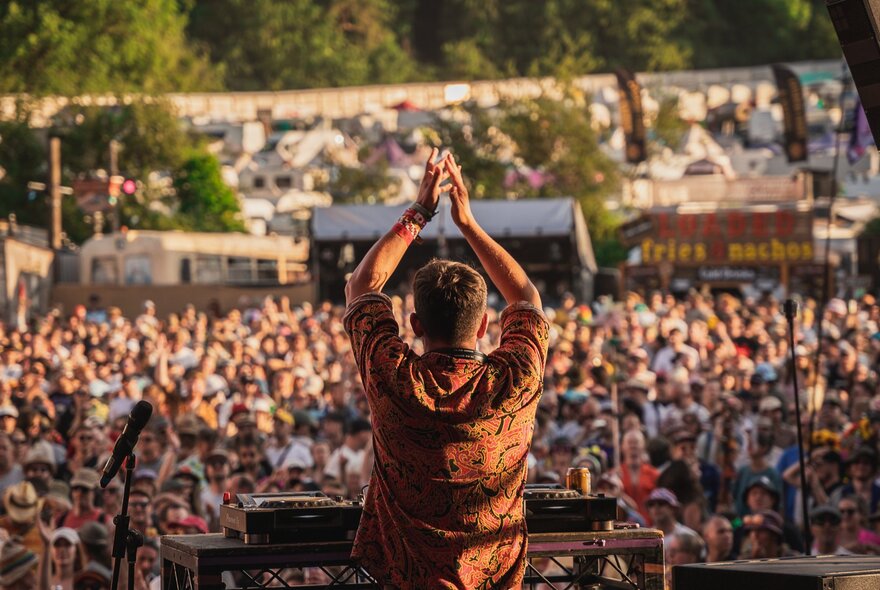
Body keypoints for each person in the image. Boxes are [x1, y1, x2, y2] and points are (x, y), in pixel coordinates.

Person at [343, 150, 549, 588]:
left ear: (415, 325)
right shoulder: (515, 380)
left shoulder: (395, 378)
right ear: (484, 325)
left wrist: (420, 211)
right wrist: (467, 223)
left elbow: (361, 285)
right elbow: (526, 297)